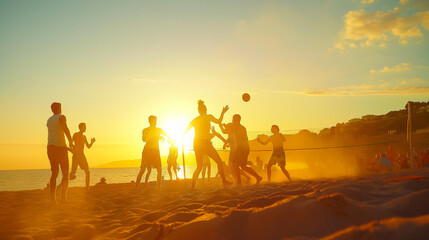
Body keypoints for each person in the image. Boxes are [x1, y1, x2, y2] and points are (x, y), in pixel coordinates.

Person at [184, 100, 232, 188]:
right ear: (205, 110)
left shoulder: (195, 120)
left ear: (199, 111)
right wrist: (223, 112)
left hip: (197, 143)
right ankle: (224, 181)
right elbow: (219, 121)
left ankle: (192, 186)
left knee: (199, 166)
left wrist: (181, 137)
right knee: (218, 162)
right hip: (205, 143)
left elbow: (185, 131)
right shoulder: (208, 116)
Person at [46, 102, 73, 205]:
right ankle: (63, 198)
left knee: (54, 173)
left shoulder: (49, 120)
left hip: (50, 147)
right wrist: (70, 141)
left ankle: (53, 199)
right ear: (60, 108)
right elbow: (65, 128)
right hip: (60, 148)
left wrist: (66, 146)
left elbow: (55, 135)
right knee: (65, 173)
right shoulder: (61, 117)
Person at [135, 116, 169, 190]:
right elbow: (144, 139)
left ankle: (159, 187)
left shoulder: (158, 130)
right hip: (147, 151)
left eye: (156, 120)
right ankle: (136, 187)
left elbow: (167, 134)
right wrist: (156, 136)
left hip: (155, 151)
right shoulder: (145, 130)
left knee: (159, 169)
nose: (155, 122)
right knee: (142, 170)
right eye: (153, 121)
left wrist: (160, 137)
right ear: (149, 121)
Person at [229, 114, 262, 185]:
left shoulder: (237, 127)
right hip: (244, 148)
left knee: (234, 164)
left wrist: (222, 125)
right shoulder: (240, 127)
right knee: (243, 166)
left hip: (242, 148)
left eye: (233, 119)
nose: (232, 121)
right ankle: (258, 177)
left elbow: (225, 131)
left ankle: (239, 182)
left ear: (237, 120)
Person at [69, 123, 96, 190]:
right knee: (72, 173)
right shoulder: (75, 135)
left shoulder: (84, 137)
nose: (85, 128)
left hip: (82, 155)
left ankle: (87, 187)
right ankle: (61, 184)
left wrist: (92, 142)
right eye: (84, 127)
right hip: (76, 155)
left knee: (87, 172)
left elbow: (88, 146)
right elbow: (70, 144)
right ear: (81, 127)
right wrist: (74, 147)